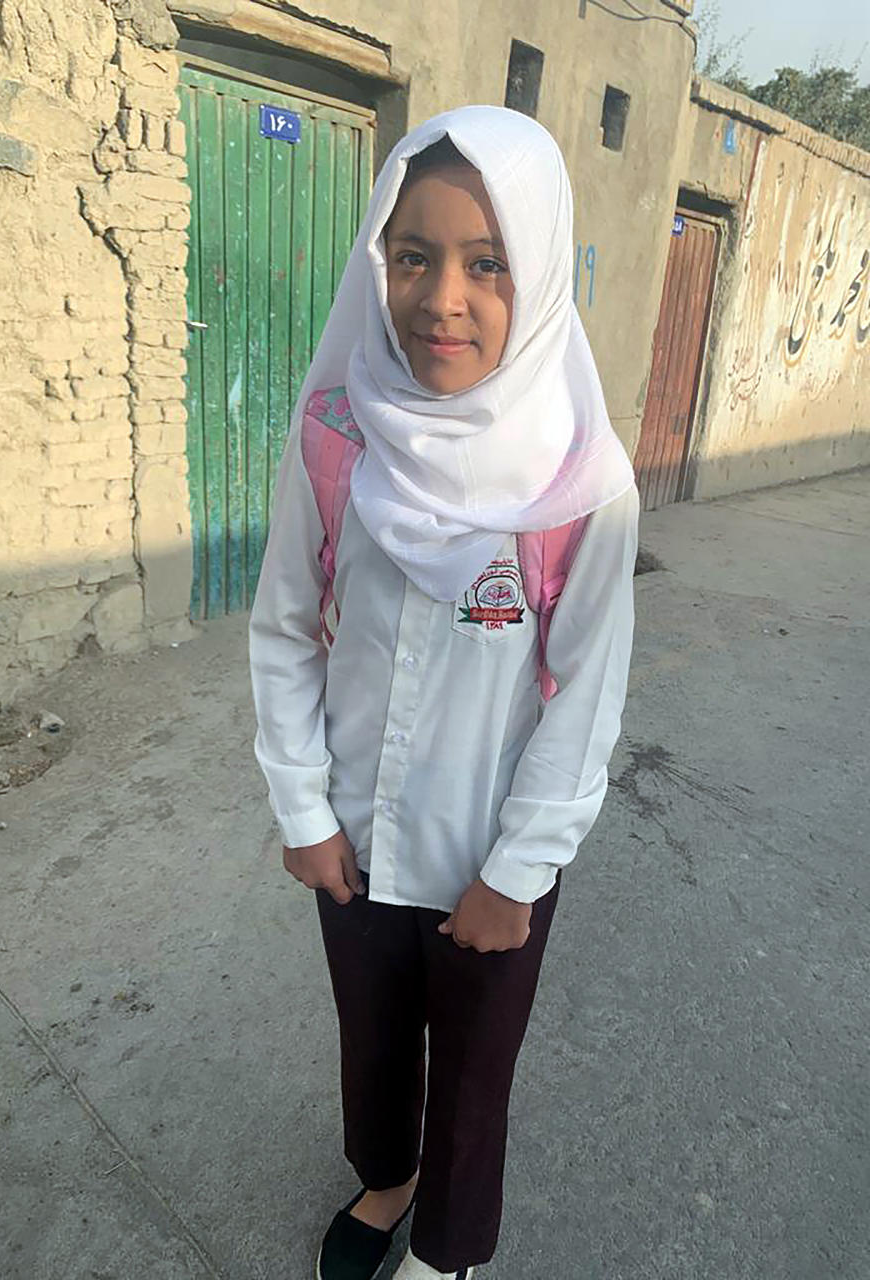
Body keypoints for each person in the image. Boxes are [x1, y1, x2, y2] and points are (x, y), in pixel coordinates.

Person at [249, 106, 639, 1280]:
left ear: (544, 272)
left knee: (473, 1076)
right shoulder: (335, 436)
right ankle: (388, 1176)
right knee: (372, 1044)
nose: (442, 299)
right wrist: (304, 811)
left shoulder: (582, 485)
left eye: (488, 262)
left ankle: (451, 1247)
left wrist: (517, 873)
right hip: (356, 847)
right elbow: (283, 629)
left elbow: (584, 697)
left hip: (487, 865)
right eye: (412, 255)